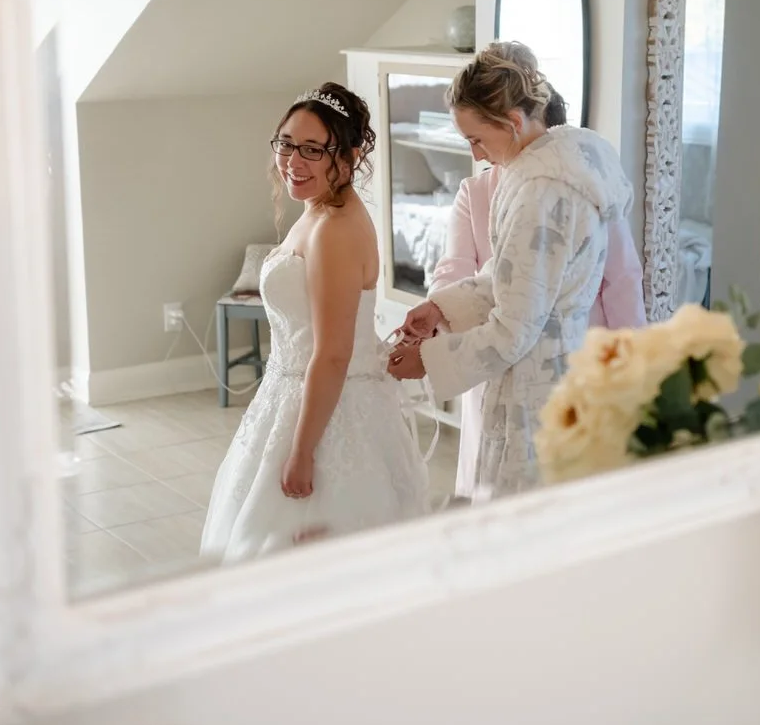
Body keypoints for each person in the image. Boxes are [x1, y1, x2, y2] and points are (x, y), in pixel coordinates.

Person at [387, 41, 634, 499]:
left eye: (478, 139)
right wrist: (441, 308)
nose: (477, 155)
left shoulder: (541, 192)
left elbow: (514, 328)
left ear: (514, 123)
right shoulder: (556, 171)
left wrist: (428, 361)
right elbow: (515, 280)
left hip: (538, 391)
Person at [201, 83, 427, 561]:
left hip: (328, 412)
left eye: (311, 149)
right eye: (285, 144)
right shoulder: (318, 213)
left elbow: (332, 353)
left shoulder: (335, 230)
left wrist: (302, 453)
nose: (293, 161)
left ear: (346, 157)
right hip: (291, 393)